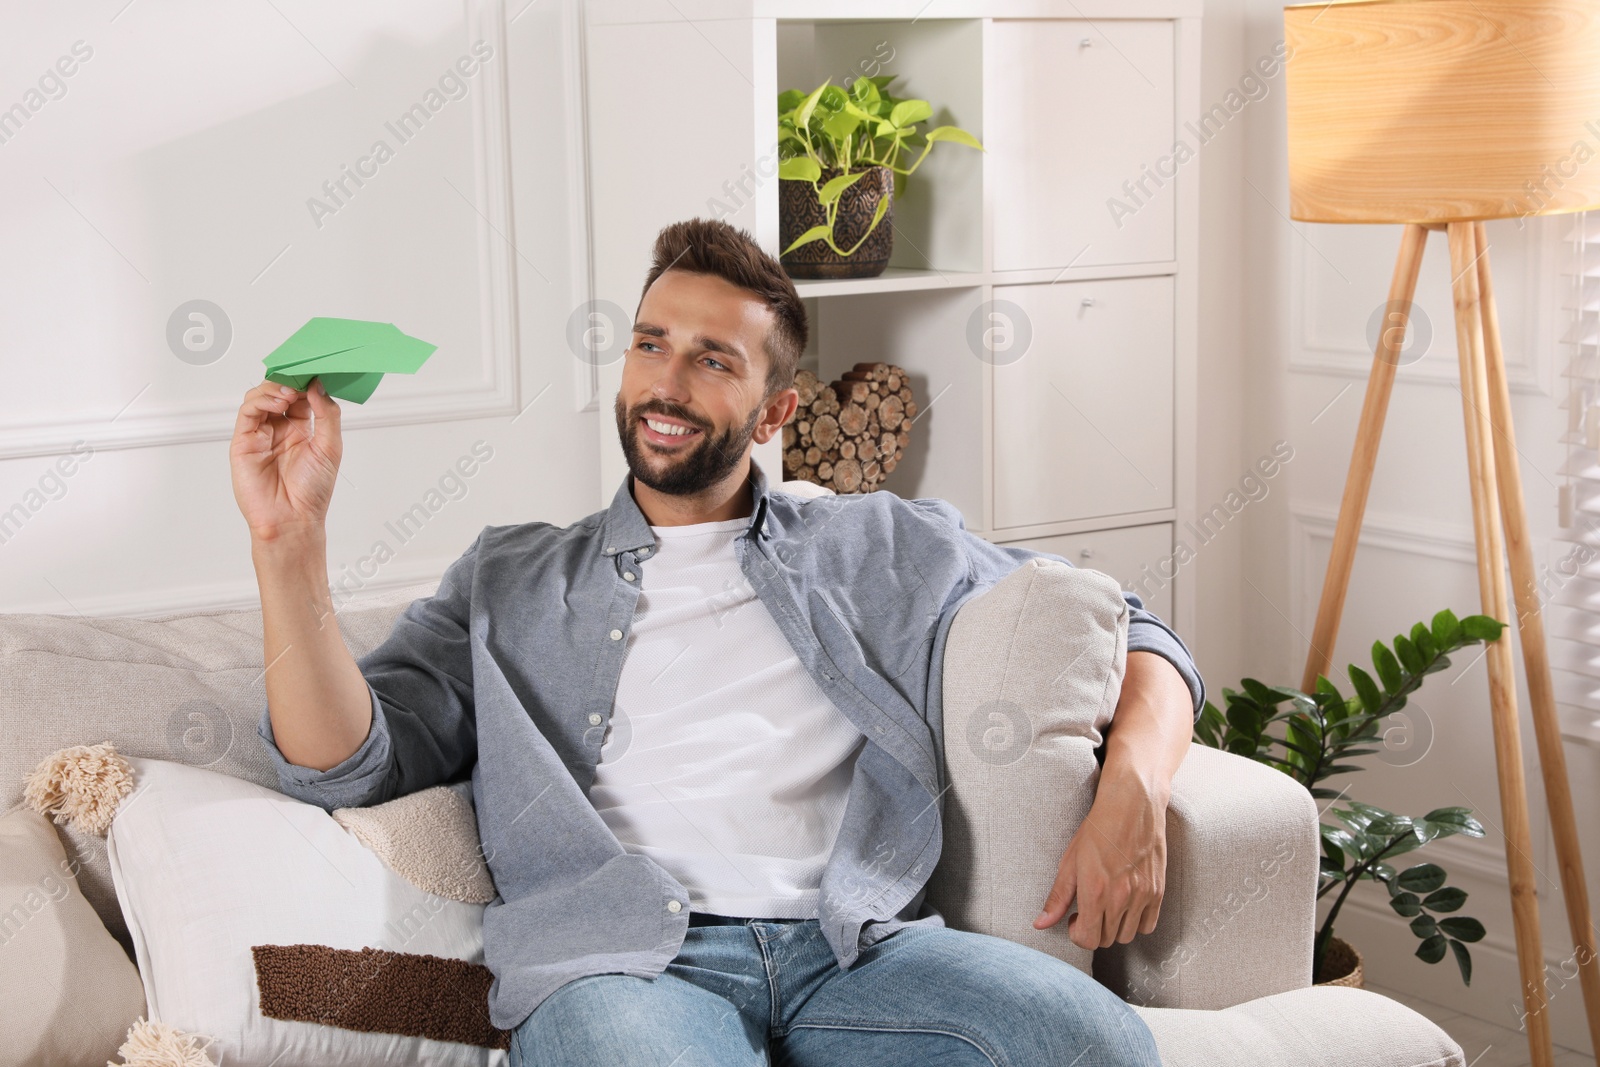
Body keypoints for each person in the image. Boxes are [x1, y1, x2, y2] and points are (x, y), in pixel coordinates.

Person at [230, 217, 1204, 1067]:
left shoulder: (870, 543)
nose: (668, 381)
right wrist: (289, 546)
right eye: (651, 344)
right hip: (622, 966)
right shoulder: (509, 577)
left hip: (855, 953)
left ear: (777, 410)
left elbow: (1129, 624)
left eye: (713, 359)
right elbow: (347, 765)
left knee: (1101, 1044)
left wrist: (1133, 783)